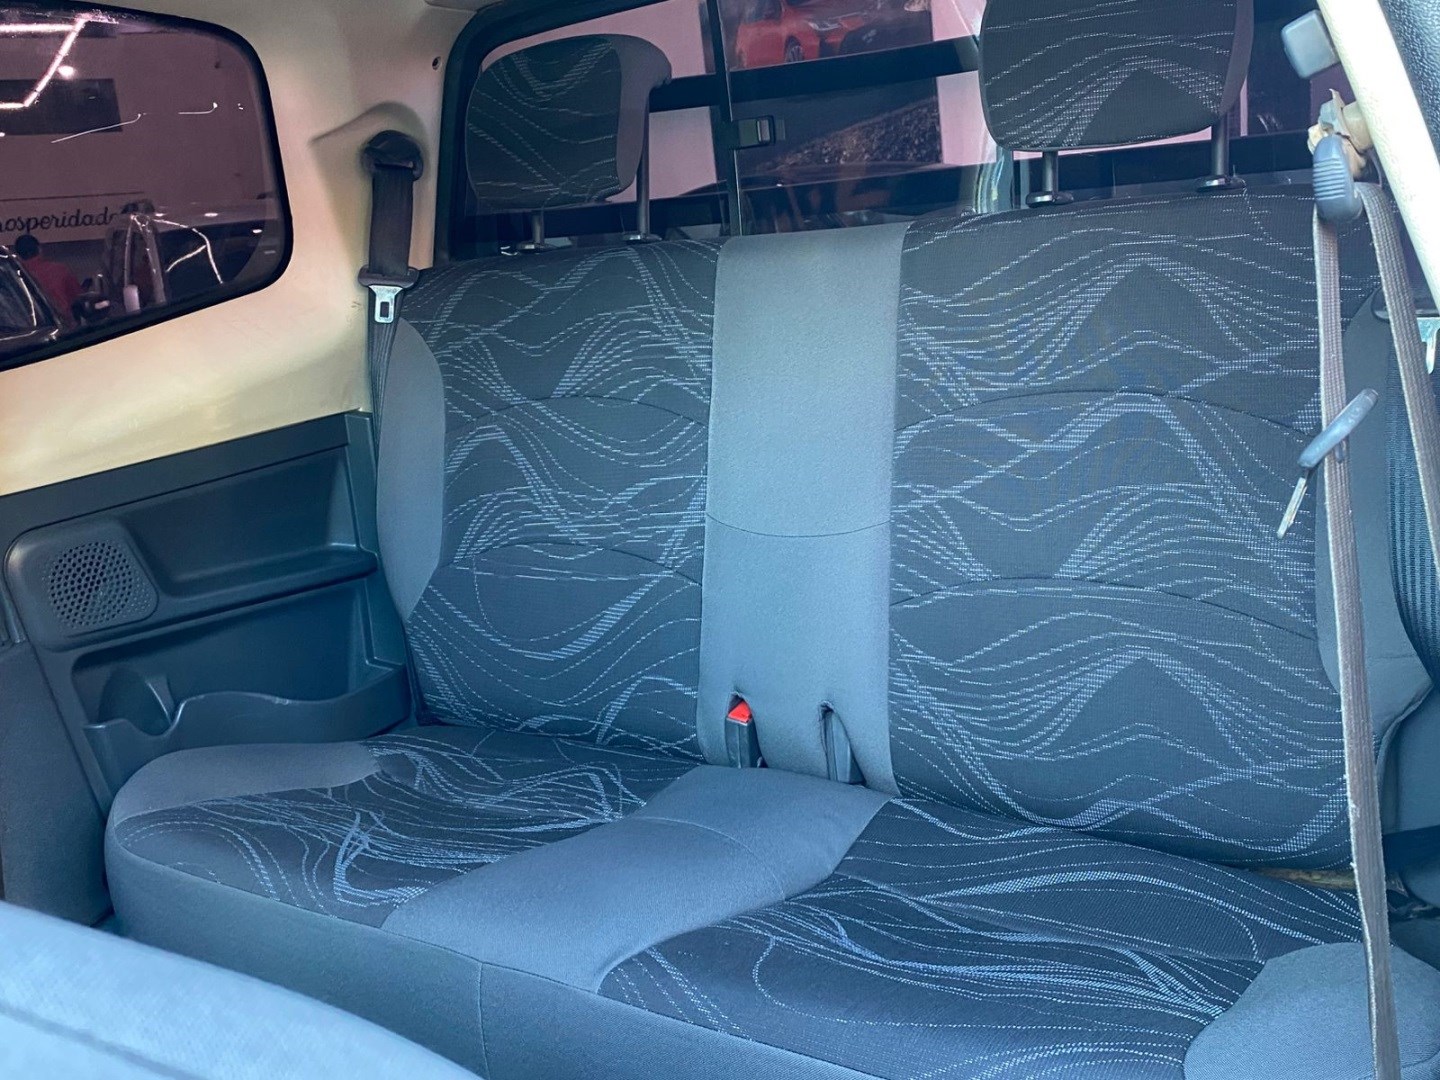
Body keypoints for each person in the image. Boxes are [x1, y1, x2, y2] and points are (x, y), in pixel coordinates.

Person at [14, 234, 82, 330]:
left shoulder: (13, 276)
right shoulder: (59, 270)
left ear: (17, 255)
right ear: (39, 249)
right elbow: (78, 299)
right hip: (63, 327)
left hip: (24, 330)